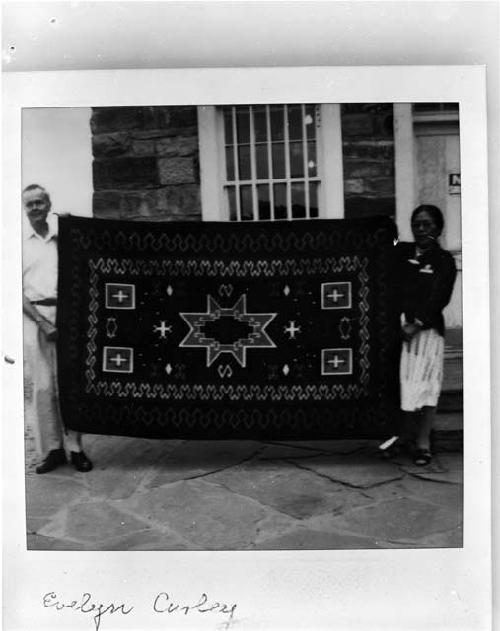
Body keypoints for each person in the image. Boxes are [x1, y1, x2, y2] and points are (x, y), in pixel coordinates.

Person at [22, 184, 93, 474]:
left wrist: (73, 224)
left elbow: (85, 262)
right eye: (30, 204)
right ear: (24, 209)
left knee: (69, 383)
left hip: (66, 315)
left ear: (48, 204)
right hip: (33, 316)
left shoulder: (64, 240)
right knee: (43, 386)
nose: (36, 208)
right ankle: (52, 449)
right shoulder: (17, 246)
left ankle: (75, 448)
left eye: (41, 202)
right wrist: (41, 322)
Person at [382, 204, 457, 465]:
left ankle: (423, 443)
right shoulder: (401, 253)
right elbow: (381, 246)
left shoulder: (444, 260)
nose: (421, 229)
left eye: (427, 224)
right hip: (401, 332)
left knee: (427, 386)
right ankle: (403, 438)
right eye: (416, 224)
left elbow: (440, 297)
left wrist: (418, 323)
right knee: (403, 385)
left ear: (438, 227)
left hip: (426, 334)